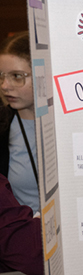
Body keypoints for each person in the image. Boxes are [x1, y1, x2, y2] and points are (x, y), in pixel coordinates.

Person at [0, 32, 40, 209]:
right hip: (21, 232)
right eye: (1, 76)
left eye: (16, 76)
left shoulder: (71, 124)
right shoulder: (3, 126)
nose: (5, 86)